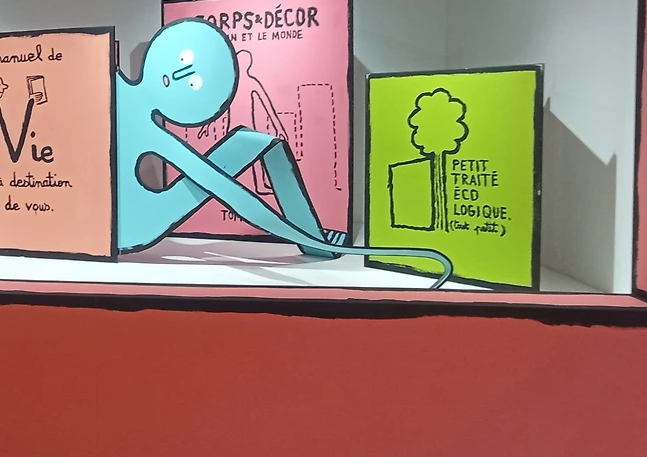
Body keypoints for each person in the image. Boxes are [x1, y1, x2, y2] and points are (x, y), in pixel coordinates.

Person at [115, 19, 454, 287]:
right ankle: (315, 241)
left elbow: (226, 189)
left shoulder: (123, 93)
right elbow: (228, 191)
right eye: (184, 60)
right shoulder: (117, 89)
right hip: (131, 225)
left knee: (253, 143)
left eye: (193, 81)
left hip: (127, 220)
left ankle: (314, 241)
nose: (179, 73)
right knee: (248, 145)